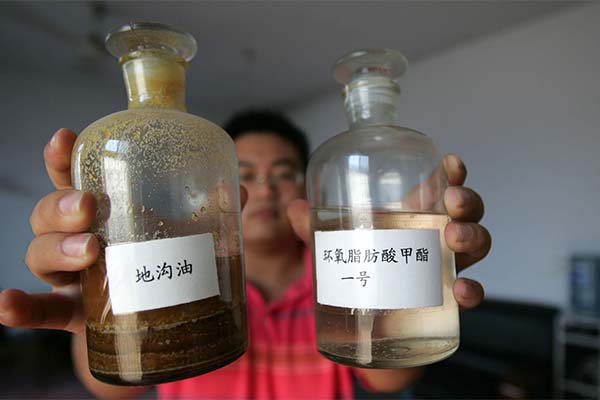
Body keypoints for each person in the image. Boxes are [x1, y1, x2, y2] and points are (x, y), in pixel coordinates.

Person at [0, 110, 490, 399]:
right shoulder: (182, 279)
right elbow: (110, 389)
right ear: (214, 188)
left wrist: (403, 294)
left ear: (308, 185)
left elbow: (388, 381)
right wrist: (97, 314)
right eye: (246, 175)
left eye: (284, 173)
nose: (267, 189)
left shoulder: (341, 275)